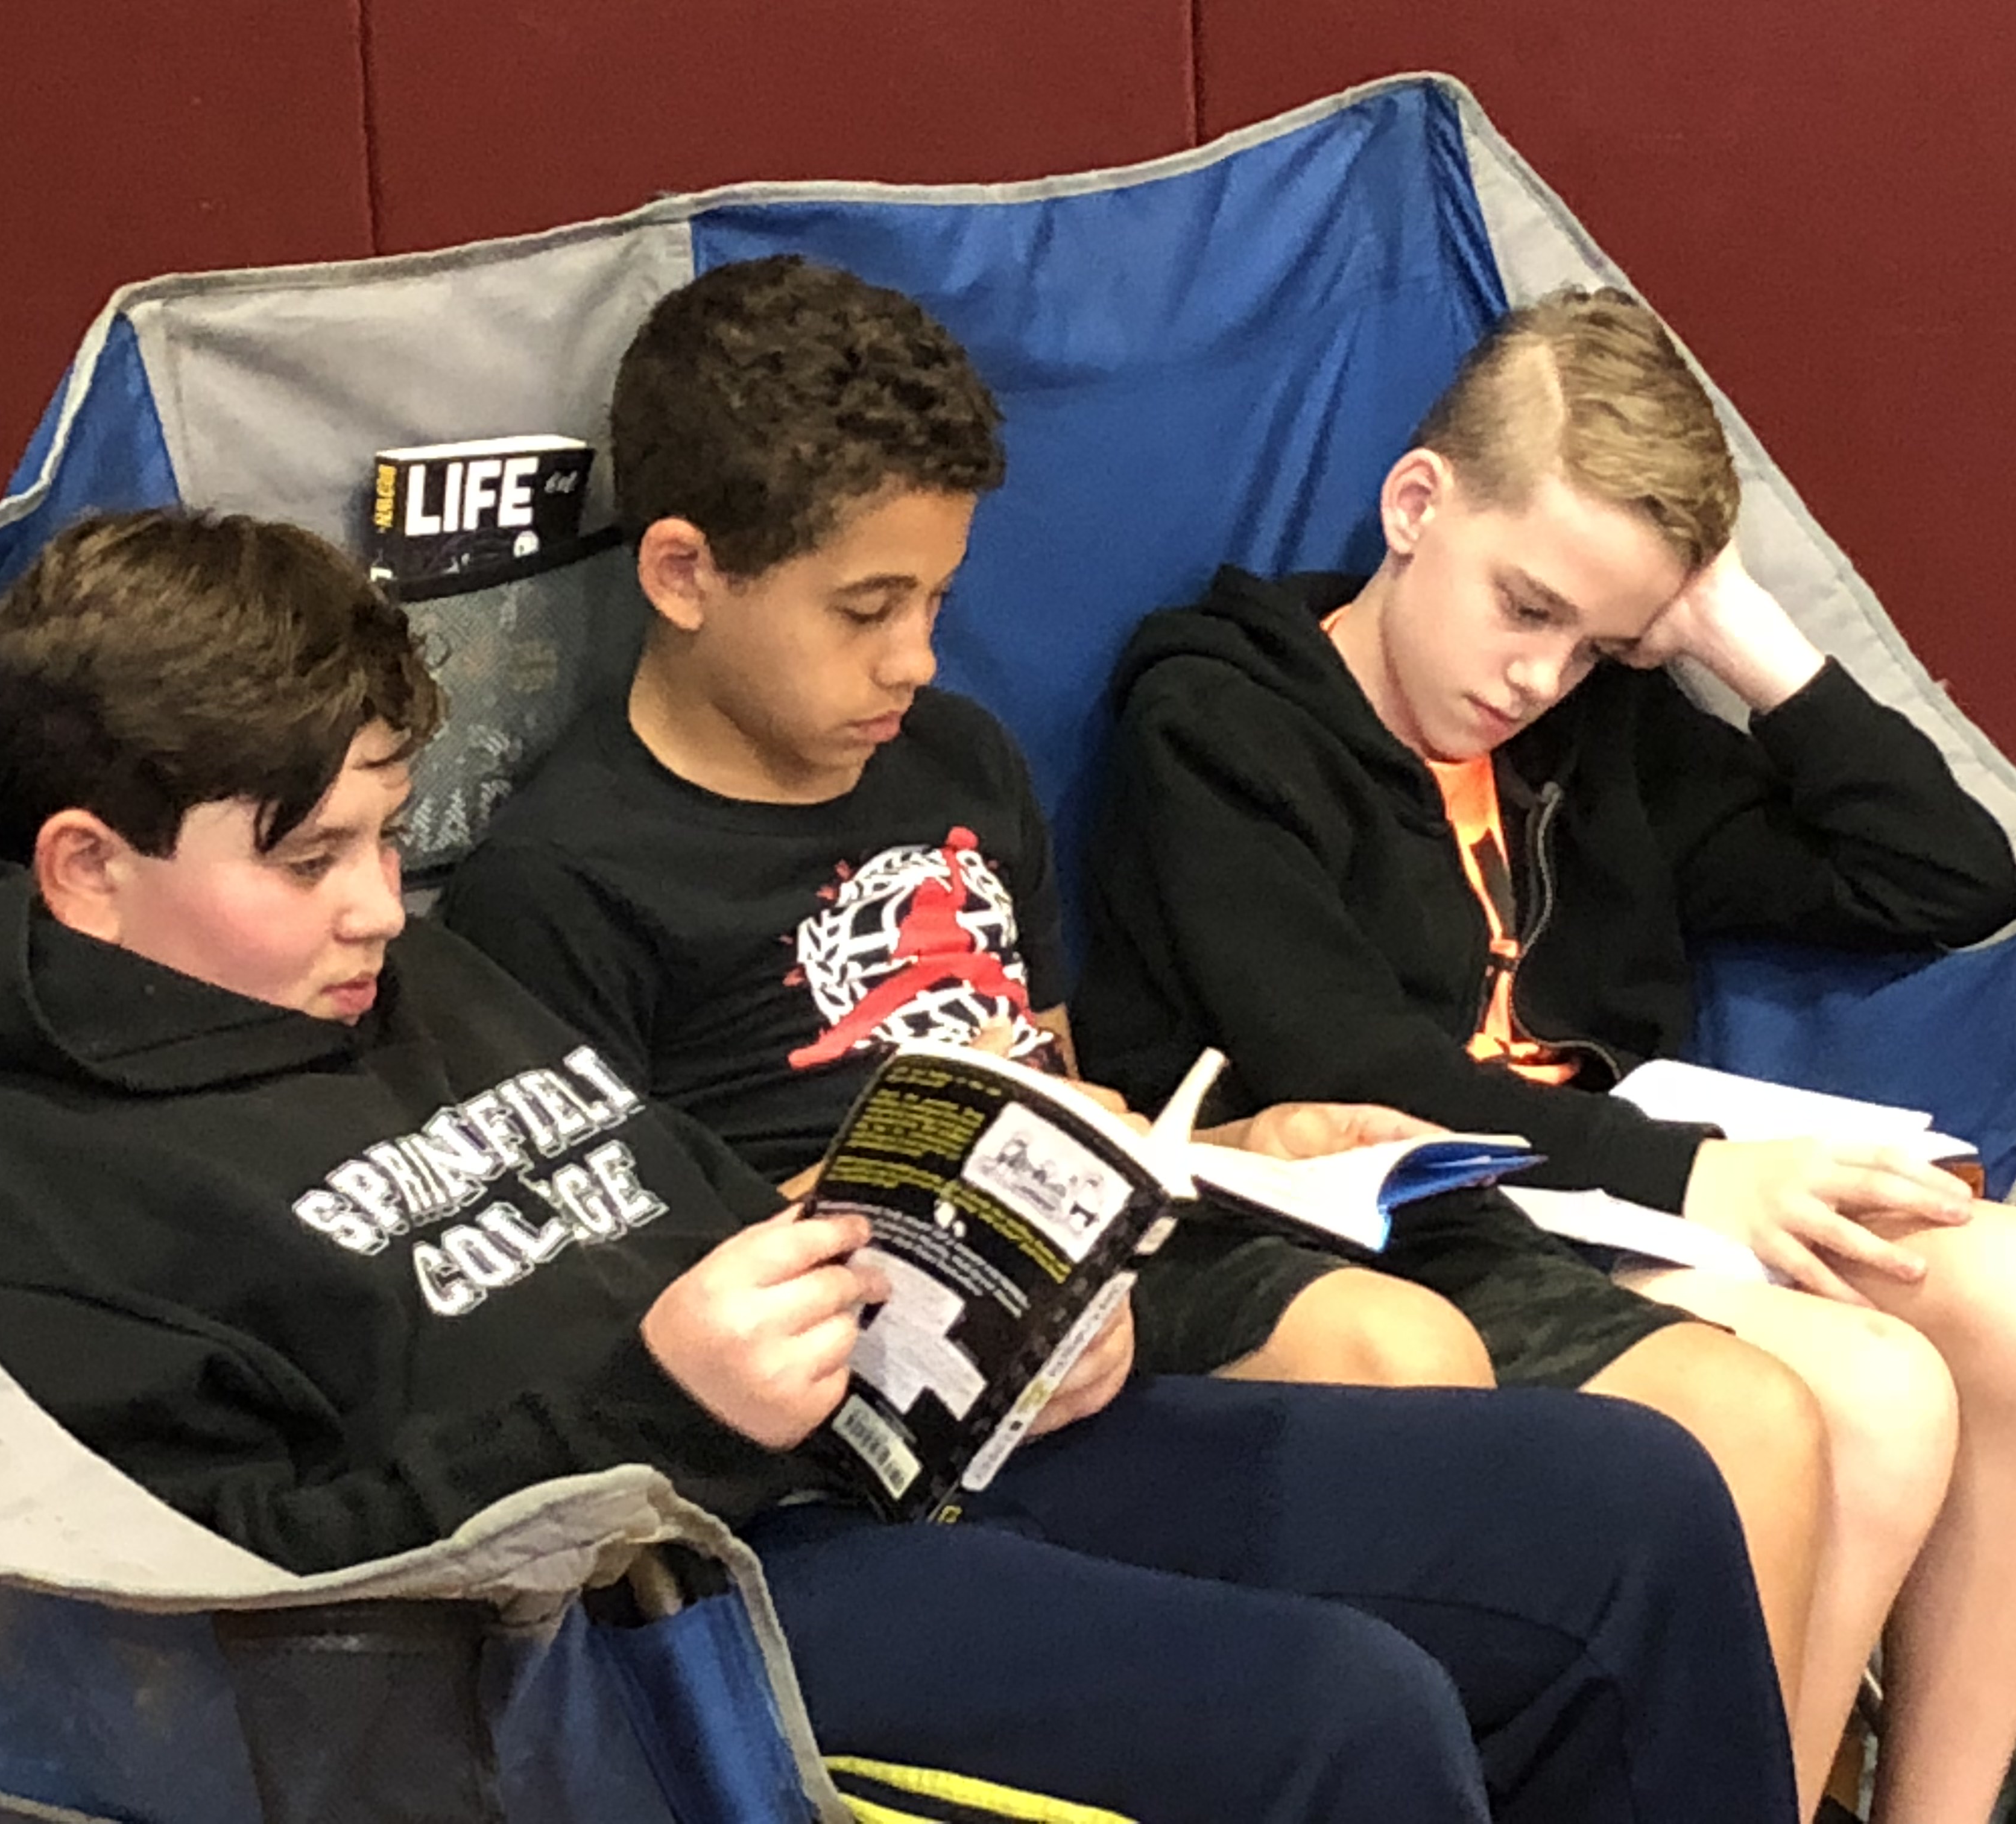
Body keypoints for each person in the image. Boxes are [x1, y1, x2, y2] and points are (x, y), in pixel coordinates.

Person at [0, 508, 1797, 1824]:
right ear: (88, 868)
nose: (379, 908)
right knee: (1341, 1717)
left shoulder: (406, 975)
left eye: (388, 839)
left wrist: (1004, 1316)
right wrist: (643, 1403)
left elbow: (696, 1205)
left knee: (1615, 1492)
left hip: (850, 1446)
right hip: (630, 1633)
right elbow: (231, 1597)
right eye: (309, 856)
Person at [437, 254, 1837, 1795]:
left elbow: (1055, 1092)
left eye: (939, 603)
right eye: (865, 611)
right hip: (832, 1477)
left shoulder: (955, 761)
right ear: (687, 575)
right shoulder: (559, 885)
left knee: (1650, 1492)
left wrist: (1235, 1151)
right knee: (1360, 1678)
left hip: (1083, 1354)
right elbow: (602, 1315)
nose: (913, 659)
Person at [1072, 286, 2016, 1823]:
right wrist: (1702, 1182)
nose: (1540, 675)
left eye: (1601, 638)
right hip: (1411, 1215)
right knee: (1878, 1403)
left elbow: (1939, 876)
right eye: (1526, 606)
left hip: (1609, 1193)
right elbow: (1348, 1068)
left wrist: (1733, 634)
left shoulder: (1590, 729)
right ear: (1416, 506)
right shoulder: (1216, 714)